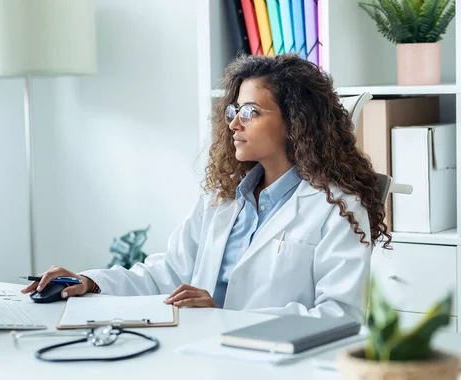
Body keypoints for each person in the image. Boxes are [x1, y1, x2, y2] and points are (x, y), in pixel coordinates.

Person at [22, 54, 391, 323]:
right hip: (198, 349)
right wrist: (91, 281)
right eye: (234, 112)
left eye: (250, 112)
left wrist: (225, 315)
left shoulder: (335, 207)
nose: (234, 124)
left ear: (296, 122)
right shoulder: (224, 200)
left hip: (274, 368)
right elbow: (165, 273)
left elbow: (341, 315)